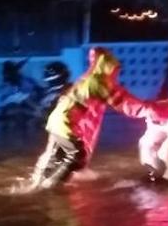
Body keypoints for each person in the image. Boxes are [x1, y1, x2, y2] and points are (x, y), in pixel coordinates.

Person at [12, 47, 158, 192]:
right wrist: (151, 110)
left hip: (57, 122)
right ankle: (51, 186)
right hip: (66, 123)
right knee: (76, 155)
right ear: (108, 67)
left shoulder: (87, 79)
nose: (116, 73)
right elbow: (124, 102)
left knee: (55, 155)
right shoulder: (99, 82)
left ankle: (37, 182)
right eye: (114, 69)